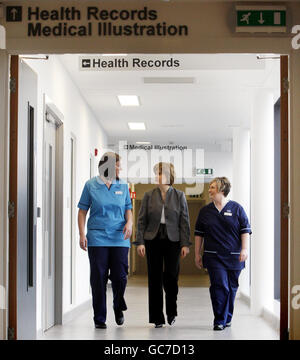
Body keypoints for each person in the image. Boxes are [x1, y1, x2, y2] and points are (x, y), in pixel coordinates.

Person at [78, 152, 133, 329]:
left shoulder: (123, 186)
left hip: (119, 237)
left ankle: (118, 306)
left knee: (120, 277)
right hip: (97, 237)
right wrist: (81, 233)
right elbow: (82, 211)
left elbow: (128, 209)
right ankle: (99, 318)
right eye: (117, 165)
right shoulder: (91, 185)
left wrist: (130, 223)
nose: (120, 168)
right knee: (98, 278)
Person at [134, 162, 191, 328]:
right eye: (156, 173)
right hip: (153, 240)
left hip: (173, 241)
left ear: (168, 176)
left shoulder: (179, 195)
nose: (157, 176)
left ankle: (171, 311)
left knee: (171, 277)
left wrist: (185, 244)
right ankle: (157, 317)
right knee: (155, 278)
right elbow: (141, 220)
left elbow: (184, 221)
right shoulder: (148, 195)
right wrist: (140, 242)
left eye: (159, 173)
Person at [194, 177, 251, 331]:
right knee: (219, 286)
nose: (209, 190)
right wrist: (197, 254)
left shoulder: (237, 208)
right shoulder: (205, 211)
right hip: (213, 256)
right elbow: (199, 234)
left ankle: (227, 318)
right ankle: (219, 320)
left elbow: (245, 230)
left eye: (212, 187)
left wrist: (245, 249)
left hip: (234, 256)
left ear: (221, 189)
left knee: (231, 288)